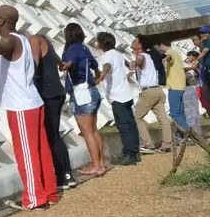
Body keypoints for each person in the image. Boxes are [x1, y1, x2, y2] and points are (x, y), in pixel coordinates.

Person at [0, 6, 58, 211]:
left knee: (27, 153)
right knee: (41, 150)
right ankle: (49, 193)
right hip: (33, 102)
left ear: (2, 21)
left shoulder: (10, 40)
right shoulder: (23, 39)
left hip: (21, 107)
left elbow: (0, 47)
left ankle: (34, 198)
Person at [60, 23, 107, 177]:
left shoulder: (72, 48)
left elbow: (70, 61)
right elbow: (95, 65)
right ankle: (100, 164)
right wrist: (97, 75)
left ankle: (96, 166)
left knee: (87, 133)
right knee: (94, 130)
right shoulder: (84, 48)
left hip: (81, 93)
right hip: (92, 90)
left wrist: (65, 65)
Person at [30, 32, 74, 190]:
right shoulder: (46, 43)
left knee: (51, 136)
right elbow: (60, 63)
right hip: (56, 92)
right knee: (54, 135)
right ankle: (66, 174)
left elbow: (33, 66)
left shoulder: (35, 41)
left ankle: (63, 175)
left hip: (48, 94)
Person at [94, 33, 138, 165]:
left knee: (123, 126)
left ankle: (129, 155)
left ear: (103, 43)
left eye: (98, 42)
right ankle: (135, 152)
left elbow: (107, 66)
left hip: (117, 96)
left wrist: (101, 77)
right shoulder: (118, 54)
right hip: (126, 94)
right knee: (131, 124)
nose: (97, 44)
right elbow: (126, 63)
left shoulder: (107, 56)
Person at [132, 36, 171, 154]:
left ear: (140, 45)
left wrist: (133, 63)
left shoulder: (141, 56)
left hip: (148, 92)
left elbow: (138, 62)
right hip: (158, 90)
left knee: (138, 118)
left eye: (136, 41)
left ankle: (148, 145)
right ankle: (167, 145)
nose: (133, 41)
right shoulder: (151, 56)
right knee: (163, 119)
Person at [162, 38, 191, 141]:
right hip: (180, 85)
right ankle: (183, 136)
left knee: (174, 113)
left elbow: (169, 57)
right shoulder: (176, 52)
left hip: (174, 86)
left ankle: (189, 133)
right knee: (179, 112)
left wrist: (165, 59)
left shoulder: (170, 52)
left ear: (162, 45)